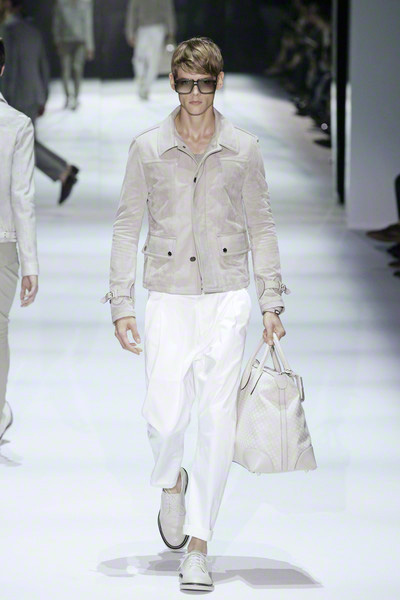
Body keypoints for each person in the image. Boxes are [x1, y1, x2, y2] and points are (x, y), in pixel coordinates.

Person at [101, 37, 290, 592]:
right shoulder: (148, 148)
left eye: (204, 84)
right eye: (185, 84)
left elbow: (262, 226)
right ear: (173, 83)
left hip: (228, 297)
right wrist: (121, 302)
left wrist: (271, 300)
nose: (195, 94)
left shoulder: (244, 149)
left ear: (218, 82)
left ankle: (200, 545)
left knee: (216, 421)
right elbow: (125, 226)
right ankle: (172, 482)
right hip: (167, 296)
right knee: (163, 418)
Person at [1, 0, 80, 205]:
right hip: (33, 94)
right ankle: (64, 171)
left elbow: (9, 69)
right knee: (24, 141)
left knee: (20, 143)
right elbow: (43, 65)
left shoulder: (8, 32)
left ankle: (63, 172)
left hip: (17, 96)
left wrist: (5, 99)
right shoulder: (32, 31)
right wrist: (43, 95)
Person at [0, 38, 39, 443]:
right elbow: (21, 197)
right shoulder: (16, 125)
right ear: (2, 69)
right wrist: (30, 264)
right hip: (3, 243)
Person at [125, 0, 176, 100]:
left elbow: (132, 14)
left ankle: (143, 83)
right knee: (150, 60)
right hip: (152, 29)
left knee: (142, 59)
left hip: (147, 29)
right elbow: (168, 11)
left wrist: (130, 32)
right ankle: (144, 85)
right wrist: (171, 31)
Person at [52, 0, 95, 110]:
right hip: (65, 40)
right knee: (65, 70)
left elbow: (88, 23)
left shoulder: (85, 3)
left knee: (77, 69)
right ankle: (68, 97)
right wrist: (57, 40)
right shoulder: (61, 3)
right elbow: (57, 22)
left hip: (80, 41)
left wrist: (90, 46)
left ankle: (75, 97)